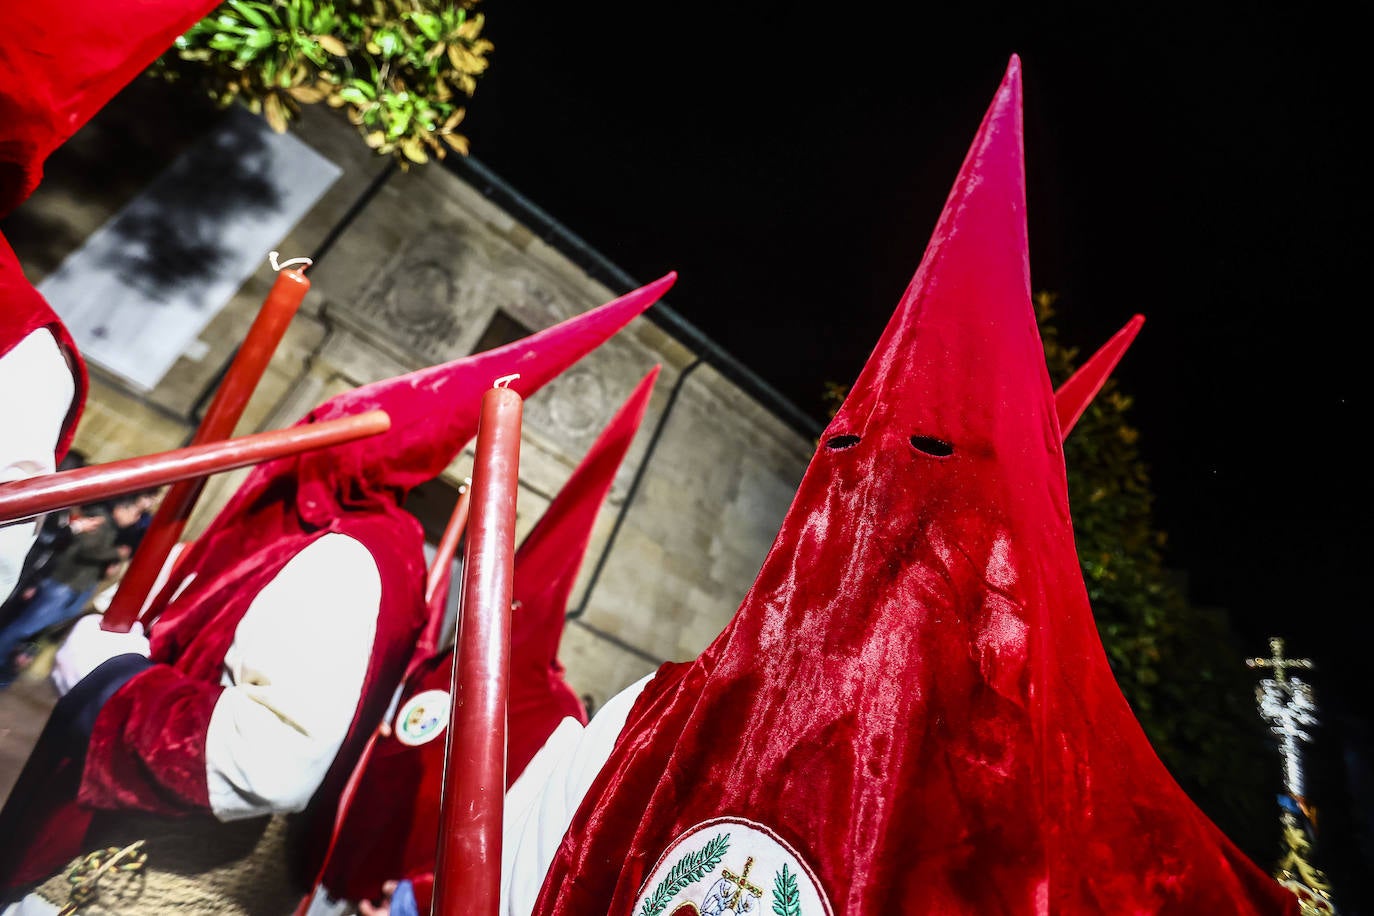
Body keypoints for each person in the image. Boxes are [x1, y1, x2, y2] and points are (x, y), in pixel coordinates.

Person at [500, 57, 1295, 915]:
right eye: (851, 450)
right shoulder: (638, 729)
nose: (887, 502)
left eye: (937, 459)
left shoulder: (1110, 847)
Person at [0, 277, 673, 914]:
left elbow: (272, 756)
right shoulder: (348, 545)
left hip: (153, 880)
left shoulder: (351, 554)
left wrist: (112, 682)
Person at [309, 366, 662, 916]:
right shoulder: (439, 667)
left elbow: (525, 841)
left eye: (511, 606)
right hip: (328, 872)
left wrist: (414, 898)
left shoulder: (556, 715)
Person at [0, 495, 142, 687]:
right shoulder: (99, 520)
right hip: (64, 583)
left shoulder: (112, 528)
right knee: (24, 628)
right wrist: (116, 553)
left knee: (36, 632)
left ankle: (7, 673)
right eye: (135, 512)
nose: (136, 518)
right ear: (121, 508)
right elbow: (86, 549)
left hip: (76, 586)